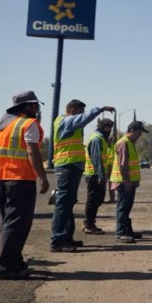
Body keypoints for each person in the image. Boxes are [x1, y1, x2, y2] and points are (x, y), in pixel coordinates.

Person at [0, 90, 50, 280]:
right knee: (18, 224)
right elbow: (32, 152)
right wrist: (42, 177)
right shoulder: (28, 123)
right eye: (36, 106)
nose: (37, 110)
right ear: (28, 106)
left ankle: (14, 261)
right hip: (19, 178)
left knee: (7, 223)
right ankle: (5, 267)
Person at [50, 99, 115, 252]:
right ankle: (57, 241)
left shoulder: (69, 124)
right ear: (72, 110)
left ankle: (67, 237)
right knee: (63, 204)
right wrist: (101, 109)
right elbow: (84, 119)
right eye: (80, 112)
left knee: (68, 203)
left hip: (72, 167)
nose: (82, 115)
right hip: (67, 166)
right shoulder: (65, 121)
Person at [110, 120, 147, 243]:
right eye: (139, 132)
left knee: (127, 207)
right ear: (132, 131)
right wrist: (127, 181)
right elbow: (123, 165)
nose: (140, 135)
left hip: (129, 182)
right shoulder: (123, 143)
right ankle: (120, 233)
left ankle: (127, 230)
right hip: (123, 182)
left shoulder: (130, 142)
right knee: (123, 207)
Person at [82, 118, 114, 234]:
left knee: (99, 199)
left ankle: (89, 222)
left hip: (97, 174)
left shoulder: (101, 139)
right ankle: (89, 225)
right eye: (108, 128)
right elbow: (96, 158)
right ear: (103, 127)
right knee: (93, 200)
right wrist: (101, 175)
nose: (110, 131)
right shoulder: (97, 139)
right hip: (94, 174)